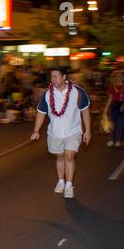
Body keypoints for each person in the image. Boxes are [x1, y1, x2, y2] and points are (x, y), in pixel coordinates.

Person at [30, 66, 91, 199]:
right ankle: (61, 181)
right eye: (52, 77)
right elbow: (41, 113)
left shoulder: (78, 92)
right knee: (60, 157)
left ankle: (69, 186)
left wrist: (87, 131)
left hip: (73, 131)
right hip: (55, 132)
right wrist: (36, 131)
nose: (53, 79)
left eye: (56, 76)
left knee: (69, 156)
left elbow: (85, 111)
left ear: (64, 77)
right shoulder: (47, 94)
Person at [105, 71, 124, 147]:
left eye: (121, 76)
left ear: (123, 78)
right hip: (114, 105)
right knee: (112, 124)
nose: (120, 78)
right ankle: (111, 139)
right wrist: (106, 108)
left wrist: (123, 106)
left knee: (121, 123)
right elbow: (110, 98)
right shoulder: (112, 86)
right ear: (116, 77)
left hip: (122, 106)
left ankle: (118, 140)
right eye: (118, 76)